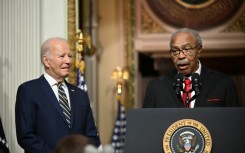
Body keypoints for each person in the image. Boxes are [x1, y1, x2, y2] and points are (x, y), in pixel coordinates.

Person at [15, 37, 101, 153]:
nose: (68, 61)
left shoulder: (80, 95)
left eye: (69, 56)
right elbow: (26, 136)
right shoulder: (28, 91)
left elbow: (91, 135)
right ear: (46, 61)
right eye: (62, 56)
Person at [143, 28, 240, 108]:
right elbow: (148, 125)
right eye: (175, 51)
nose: (181, 56)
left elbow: (234, 124)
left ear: (199, 50)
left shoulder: (223, 84)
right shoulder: (156, 88)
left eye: (187, 49)